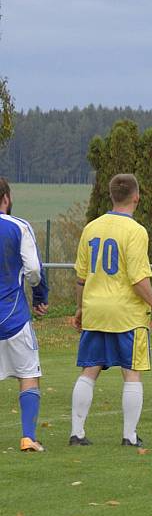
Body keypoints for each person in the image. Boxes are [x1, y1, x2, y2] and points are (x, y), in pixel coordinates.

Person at [70, 174, 152, 447]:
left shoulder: (91, 228)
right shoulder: (136, 231)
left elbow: (81, 277)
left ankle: (77, 433)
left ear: (111, 197)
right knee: (131, 371)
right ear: (136, 197)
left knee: (89, 369)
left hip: (95, 310)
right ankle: (129, 436)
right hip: (126, 314)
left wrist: (80, 309)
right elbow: (138, 279)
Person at [0, 178, 49, 452]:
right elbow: (33, 269)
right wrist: (40, 296)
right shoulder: (18, 226)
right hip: (13, 316)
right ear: (6, 198)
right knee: (28, 373)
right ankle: (28, 437)